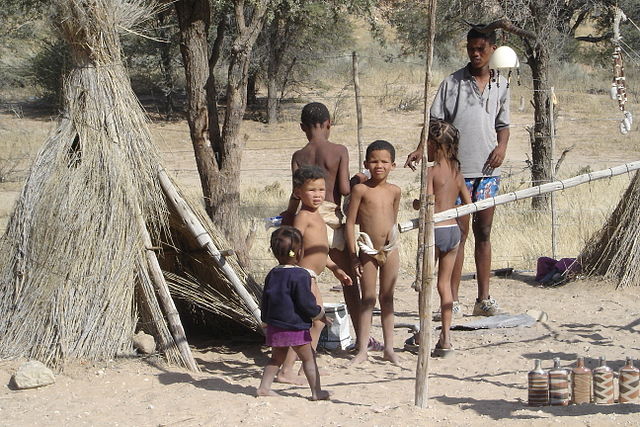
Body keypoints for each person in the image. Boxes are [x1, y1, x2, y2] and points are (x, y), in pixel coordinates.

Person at [405, 27, 510, 317]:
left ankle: (484, 299)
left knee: (484, 232)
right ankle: (452, 300)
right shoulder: (452, 83)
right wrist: (420, 148)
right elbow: (435, 123)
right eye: (471, 49)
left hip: (488, 172)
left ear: (492, 48)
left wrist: (501, 148)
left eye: (481, 49)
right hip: (457, 171)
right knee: (459, 234)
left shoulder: (501, 83)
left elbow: (503, 124)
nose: (475, 54)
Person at [282, 102, 369, 350]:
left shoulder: (299, 156)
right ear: (329, 124)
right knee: (349, 282)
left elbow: (296, 192)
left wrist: (288, 214)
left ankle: (300, 339)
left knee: (306, 280)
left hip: (308, 218)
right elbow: (343, 189)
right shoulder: (338, 150)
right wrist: (359, 179)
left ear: (302, 128)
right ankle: (361, 339)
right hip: (331, 218)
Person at [277, 165, 352, 383]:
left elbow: (319, 250)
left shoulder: (317, 216)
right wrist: (292, 267)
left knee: (318, 322)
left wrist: (336, 269)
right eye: (312, 190)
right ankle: (286, 370)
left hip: (312, 276)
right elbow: (296, 243)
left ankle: (306, 366)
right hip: (303, 276)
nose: (318, 194)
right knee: (308, 322)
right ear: (299, 192)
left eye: (321, 189)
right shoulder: (303, 216)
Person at [257, 226, 331, 400]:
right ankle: (316, 392)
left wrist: (265, 321)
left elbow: (265, 301)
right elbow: (306, 303)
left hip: (276, 326)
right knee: (309, 358)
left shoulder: (272, 274)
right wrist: (319, 314)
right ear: (300, 252)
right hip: (295, 327)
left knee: (276, 358)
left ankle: (264, 388)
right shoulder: (301, 275)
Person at [346, 140, 401, 365]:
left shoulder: (395, 191)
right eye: (374, 161)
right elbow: (350, 223)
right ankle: (363, 349)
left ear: (393, 165)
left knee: (387, 297)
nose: (379, 165)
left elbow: (393, 220)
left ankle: (389, 348)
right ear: (366, 163)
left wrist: (390, 244)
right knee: (367, 298)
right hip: (367, 249)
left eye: (384, 161)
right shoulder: (360, 189)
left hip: (390, 249)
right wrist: (353, 255)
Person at [425, 119, 472, 357]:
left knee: (426, 283)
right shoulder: (457, 173)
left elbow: (428, 203)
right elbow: (468, 203)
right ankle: (446, 336)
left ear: (434, 145)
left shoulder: (431, 172)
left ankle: (425, 334)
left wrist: (417, 205)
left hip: (435, 230)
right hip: (453, 229)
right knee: (445, 286)